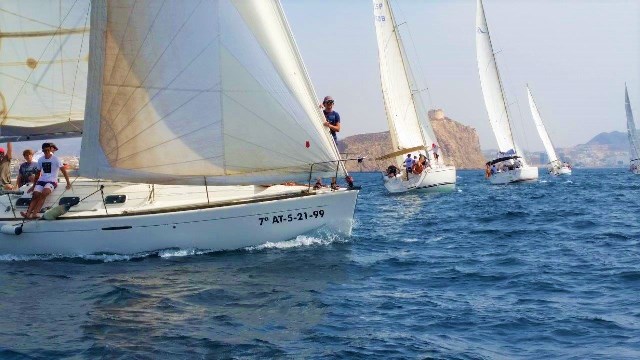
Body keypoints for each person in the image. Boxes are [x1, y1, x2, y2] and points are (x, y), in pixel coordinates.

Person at [21, 143, 72, 219]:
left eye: (48, 150)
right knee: (35, 195)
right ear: (43, 151)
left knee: (44, 194)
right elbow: (38, 174)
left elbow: (64, 171)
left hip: (52, 181)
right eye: (45, 151)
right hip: (42, 180)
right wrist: (33, 186)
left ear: (50, 149)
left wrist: (68, 183)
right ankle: (28, 214)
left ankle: (35, 213)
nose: (46, 152)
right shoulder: (41, 159)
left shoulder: (56, 159)